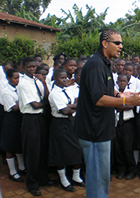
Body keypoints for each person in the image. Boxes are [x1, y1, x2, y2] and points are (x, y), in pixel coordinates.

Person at [74, 29, 140, 198]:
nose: (121, 47)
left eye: (121, 43)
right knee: (97, 178)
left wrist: (119, 95)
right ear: (104, 43)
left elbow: (106, 89)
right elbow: (99, 99)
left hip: (102, 129)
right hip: (94, 132)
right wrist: (127, 102)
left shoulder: (104, 63)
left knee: (102, 177)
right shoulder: (95, 65)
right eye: (117, 43)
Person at [17, 57, 53, 196]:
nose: (32, 69)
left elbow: (47, 97)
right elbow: (35, 104)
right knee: (32, 152)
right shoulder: (23, 84)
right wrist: (46, 104)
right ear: (24, 67)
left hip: (40, 118)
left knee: (43, 149)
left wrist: (44, 82)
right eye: (29, 67)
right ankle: (32, 184)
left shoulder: (37, 81)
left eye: (34, 66)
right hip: (30, 119)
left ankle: (43, 178)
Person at [48, 69, 84, 192]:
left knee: (77, 149)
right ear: (55, 79)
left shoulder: (68, 90)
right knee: (60, 152)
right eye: (61, 78)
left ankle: (76, 176)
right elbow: (64, 111)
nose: (65, 80)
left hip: (72, 122)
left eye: (66, 78)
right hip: (60, 124)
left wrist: (71, 106)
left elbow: (76, 101)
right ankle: (63, 179)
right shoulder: (54, 93)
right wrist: (74, 106)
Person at [0, 69, 25, 183]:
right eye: (15, 78)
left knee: (19, 144)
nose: (17, 80)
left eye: (19, 78)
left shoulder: (20, 88)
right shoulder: (6, 91)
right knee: (10, 146)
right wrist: (25, 99)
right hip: (11, 119)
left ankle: (21, 166)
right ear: (9, 78)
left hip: (20, 118)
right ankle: (12, 171)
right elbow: (14, 107)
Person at [114, 74, 137, 180]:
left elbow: (131, 105)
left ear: (127, 82)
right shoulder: (114, 93)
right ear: (117, 82)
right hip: (117, 123)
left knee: (128, 148)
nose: (122, 83)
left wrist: (120, 106)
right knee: (118, 148)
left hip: (128, 123)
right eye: (120, 81)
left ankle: (132, 169)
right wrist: (122, 105)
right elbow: (113, 105)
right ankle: (121, 169)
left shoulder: (131, 92)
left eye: (124, 81)